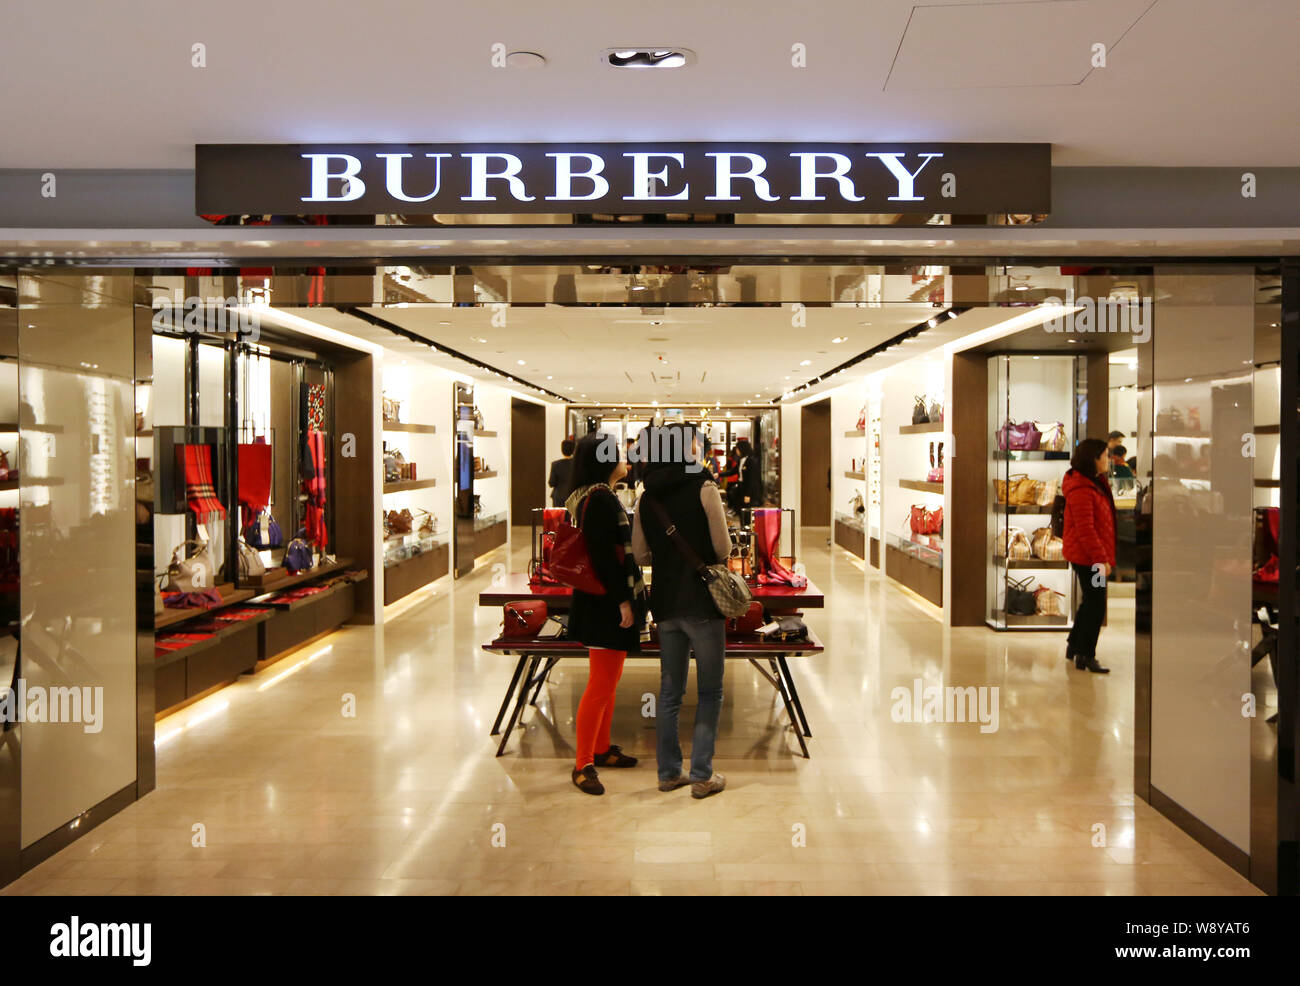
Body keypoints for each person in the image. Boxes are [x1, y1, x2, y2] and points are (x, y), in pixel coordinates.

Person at [632, 423, 731, 799]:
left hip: (666, 605)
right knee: (710, 691)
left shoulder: (646, 497)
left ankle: (669, 773)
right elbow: (721, 549)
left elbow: (641, 555)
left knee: (669, 692)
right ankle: (702, 774)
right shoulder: (705, 488)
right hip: (703, 604)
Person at [563, 433, 648, 795]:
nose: (625, 458)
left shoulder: (595, 496)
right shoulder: (599, 499)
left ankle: (600, 748)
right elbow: (602, 557)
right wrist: (623, 601)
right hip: (604, 603)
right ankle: (583, 763)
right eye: (617, 454)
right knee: (601, 683)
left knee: (608, 680)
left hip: (603, 600)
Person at [1062, 437, 1117, 674]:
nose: (1109, 459)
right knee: (1096, 604)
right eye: (1105, 455)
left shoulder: (1093, 483)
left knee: (1090, 601)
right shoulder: (1082, 489)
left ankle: (1074, 645)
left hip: (1091, 555)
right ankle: (1086, 653)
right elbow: (1086, 529)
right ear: (1093, 459)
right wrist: (1101, 560)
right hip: (1089, 558)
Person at [726, 438, 761, 514]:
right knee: (740, 509)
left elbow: (751, 479)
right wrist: (719, 474)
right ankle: (742, 524)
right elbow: (733, 471)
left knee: (747, 511)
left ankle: (746, 525)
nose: (736, 451)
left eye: (737, 449)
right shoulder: (741, 460)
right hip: (741, 487)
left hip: (748, 489)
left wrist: (748, 494)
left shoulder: (751, 461)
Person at [547, 436, 575, 508]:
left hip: (558, 497)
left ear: (562, 450)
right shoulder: (576, 464)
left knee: (558, 518)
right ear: (573, 450)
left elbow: (551, 483)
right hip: (572, 496)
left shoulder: (555, 464)